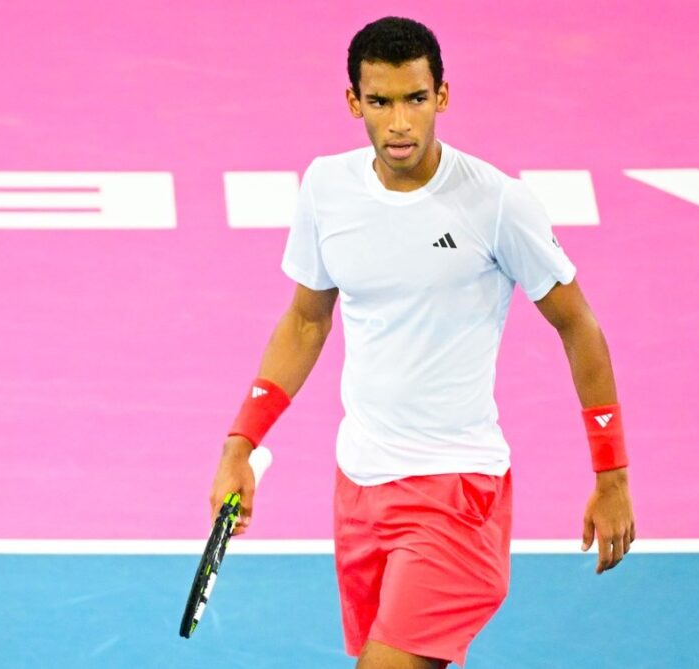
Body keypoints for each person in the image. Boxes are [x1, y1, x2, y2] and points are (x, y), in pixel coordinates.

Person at [209, 16, 636, 669]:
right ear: (354, 102)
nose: (400, 122)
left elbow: (578, 323)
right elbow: (305, 320)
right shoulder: (327, 187)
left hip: (456, 489)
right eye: (380, 102)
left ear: (442, 96)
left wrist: (612, 477)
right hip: (360, 484)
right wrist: (241, 442)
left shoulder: (495, 203)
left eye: (415, 98)